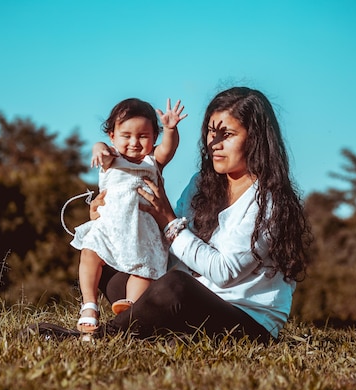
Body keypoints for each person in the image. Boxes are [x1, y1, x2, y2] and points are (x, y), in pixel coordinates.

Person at [29, 86, 311, 343]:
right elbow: (166, 250)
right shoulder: (202, 183)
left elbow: (223, 273)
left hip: (245, 319)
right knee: (113, 266)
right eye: (212, 132)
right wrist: (109, 222)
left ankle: (103, 336)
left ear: (256, 139)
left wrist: (168, 221)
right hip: (188, 305)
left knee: (175, 286)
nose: (215, 143)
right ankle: (154, 332)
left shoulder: (267, 202)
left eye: (228, 134)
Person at [69, 97, 187, 333]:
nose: (134, 142)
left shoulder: (152, 161)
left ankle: (132, 308)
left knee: (144, 270)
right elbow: (99, 148)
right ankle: (89, 305)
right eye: (126, 135)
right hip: (109, 228)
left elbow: (168, 148)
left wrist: (171, 129)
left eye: (143, 136)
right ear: (112, 135)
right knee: (90, 254)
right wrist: (99, 149)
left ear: (154, 137)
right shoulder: (111, 159)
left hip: (141, 232)